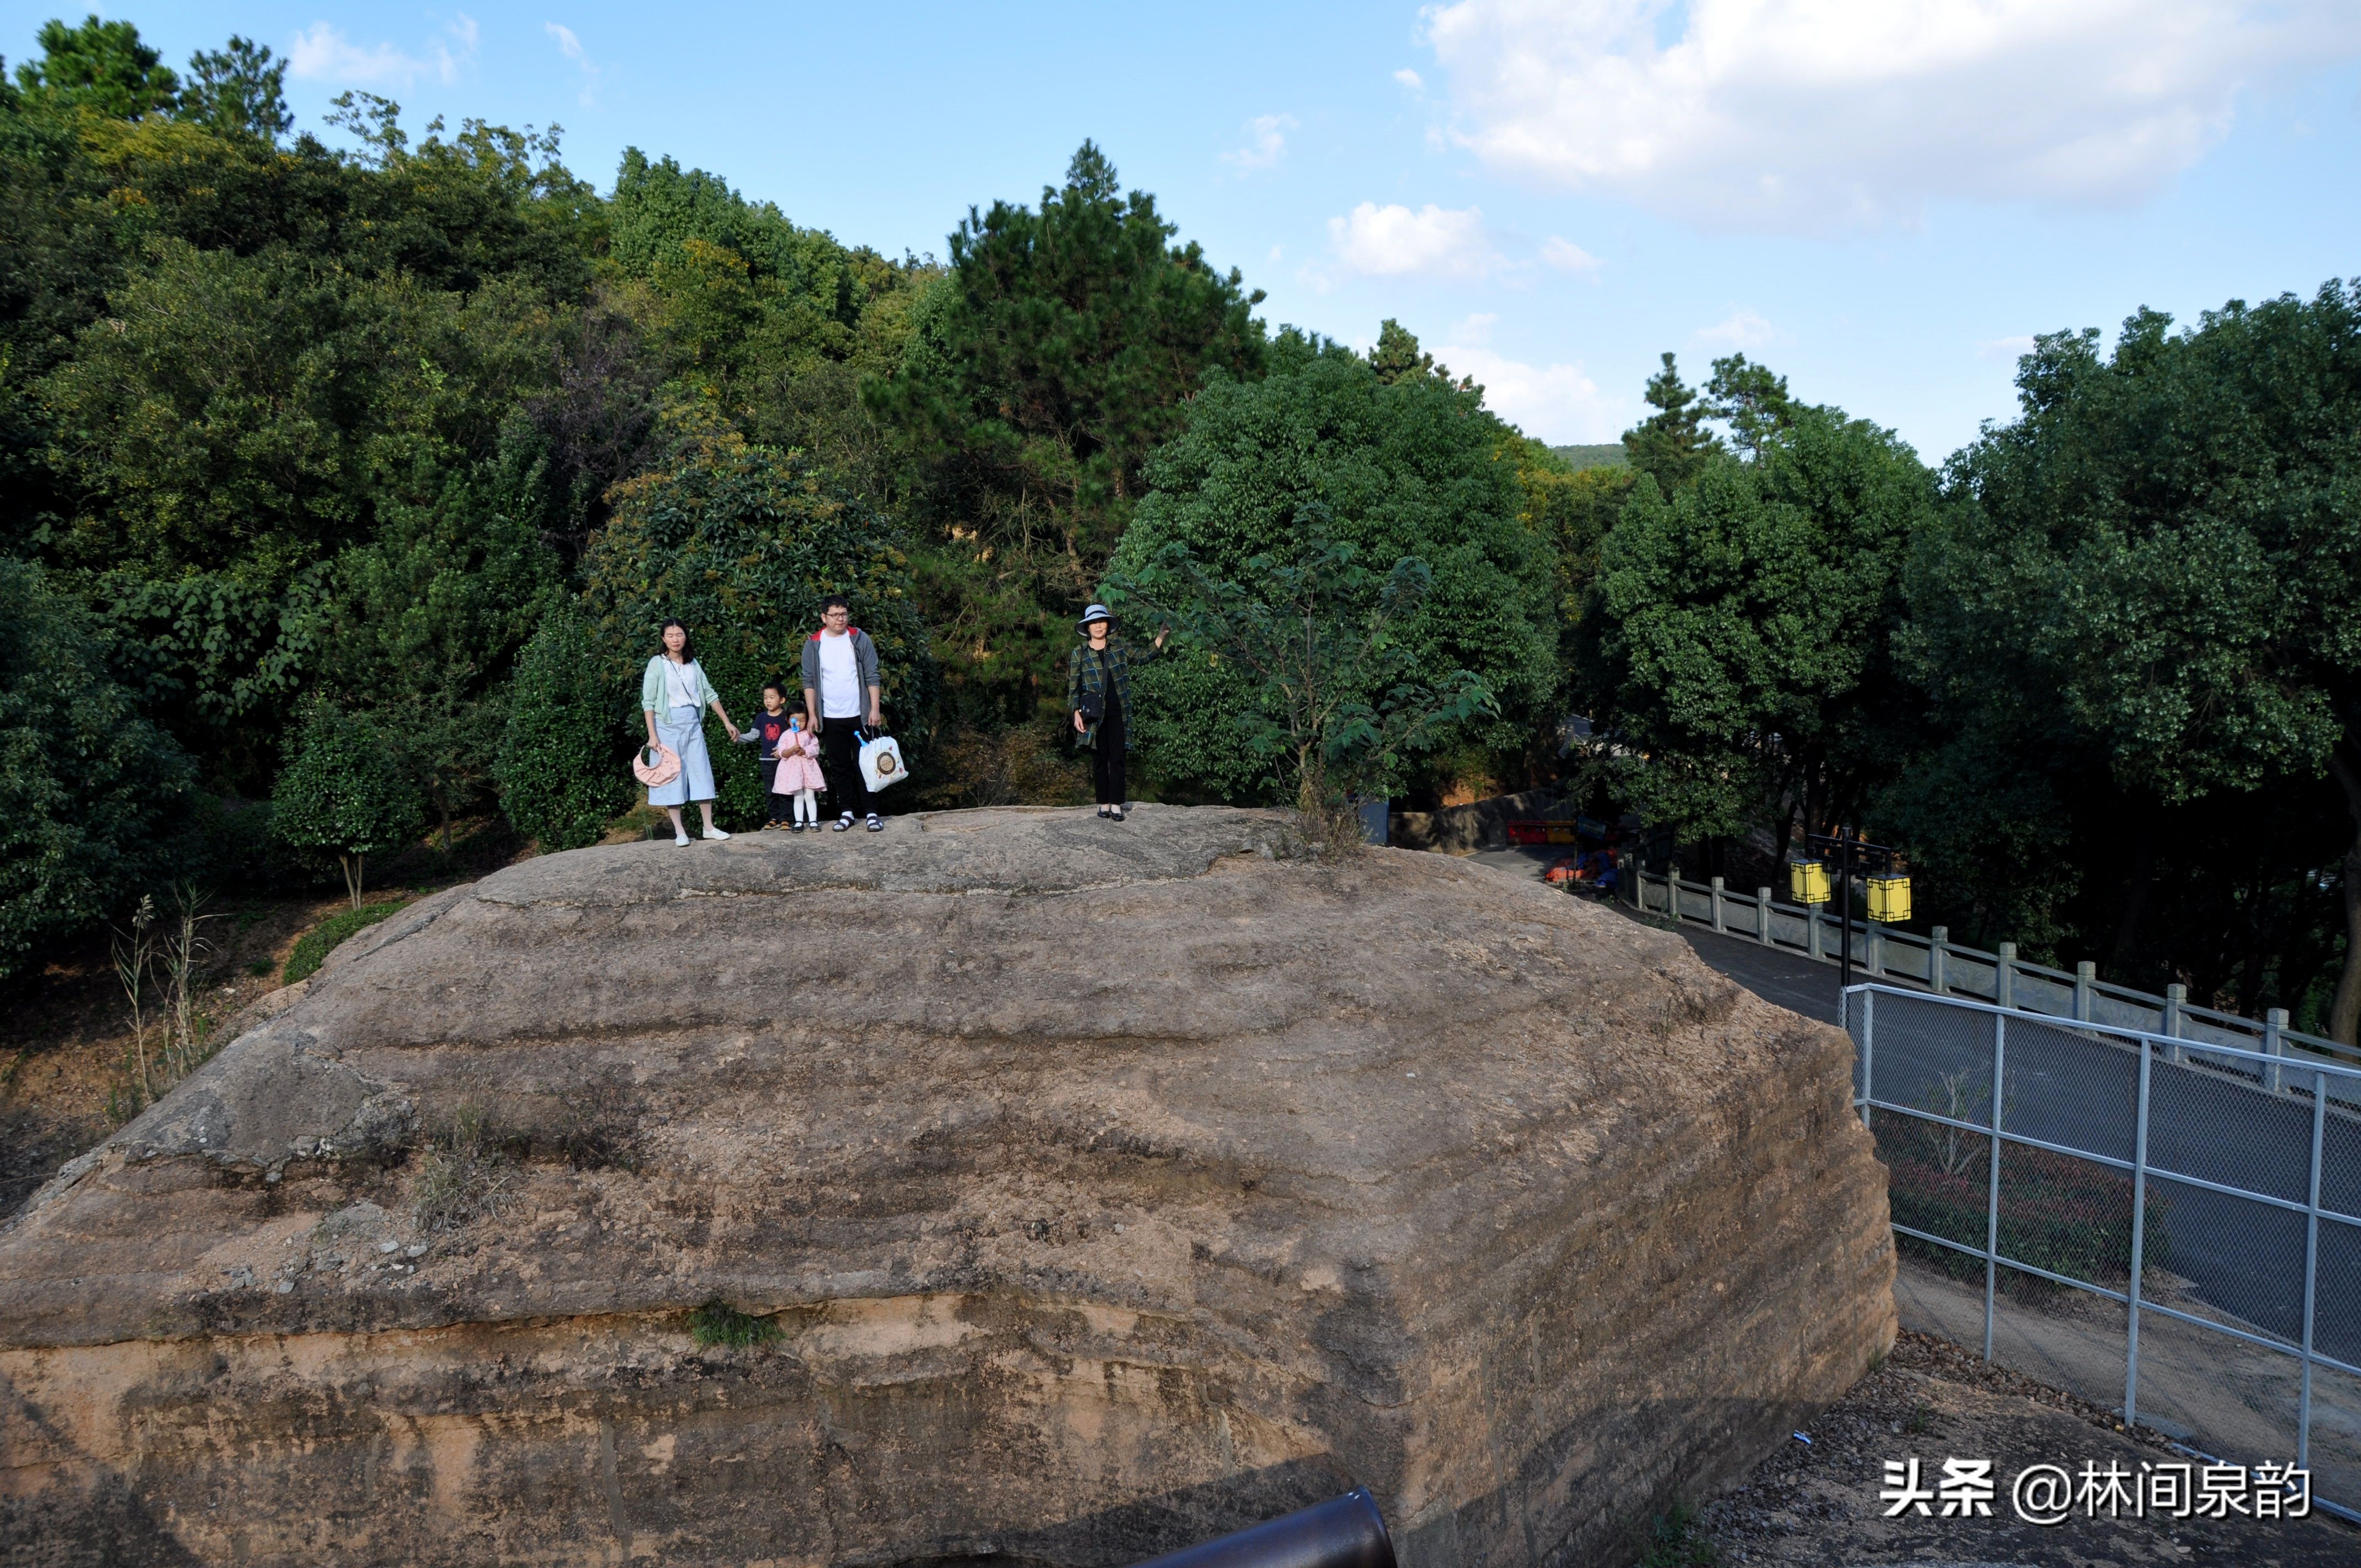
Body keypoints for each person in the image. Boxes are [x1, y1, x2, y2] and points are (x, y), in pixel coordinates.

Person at [640, 619, 739, 846]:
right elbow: (648, 701)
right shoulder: (657, 663)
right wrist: (652, 735)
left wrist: (727, 722)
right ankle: (680, 832)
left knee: (701, 772)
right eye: (670, 635)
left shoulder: (693, 663)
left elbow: (709, 693)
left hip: (693, 724)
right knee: (671, 776)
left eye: (680, 634)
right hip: (666, 725)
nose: (676, 639)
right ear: (664, 638)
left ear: (686, 636)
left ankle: (709, 827)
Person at [1068, 604, 1167, 822]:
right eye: (1093, 622)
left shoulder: (1119, 647)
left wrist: (1161, 636)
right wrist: (1075, 712)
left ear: (1107, 624)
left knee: (1118, 758)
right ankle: (1103, 803)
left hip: (1119, 712)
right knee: (1100, 759)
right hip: (1093, 715)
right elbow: (1074, 686)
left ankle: (1116, 805)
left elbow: (1142, 657)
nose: (1098, 626)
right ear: (1087, 627)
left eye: (1101, 621)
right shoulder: (1080, 653)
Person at [800, 594, 885, 832]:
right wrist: (813, 713)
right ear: (824, 617)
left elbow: (872, 674)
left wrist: (875, 708)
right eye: (835, 615)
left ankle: (871, 813)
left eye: (844, 614)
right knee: (839, 766)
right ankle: (847, 812)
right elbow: (809, 680)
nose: (841, 619)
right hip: (831, 716)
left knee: (866, 765)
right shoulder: (814, 643)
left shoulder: (859, 638)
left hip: (860, 715)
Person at [739, 683, 797, 830]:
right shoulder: (761, 718)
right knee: (770, 791)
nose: (768, 701)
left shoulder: (786, 717)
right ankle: (774, 817)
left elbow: (794, 736)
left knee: (785, 790)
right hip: (766, 762)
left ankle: (786, 819)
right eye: (765, 698)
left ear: (782, 700)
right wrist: (738, 738)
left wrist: (782, 749)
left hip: (784, 761)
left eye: (772, 697)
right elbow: (753, 735)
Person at [771, 712, 826, 831]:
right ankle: (799, 822)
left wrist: (804, 751)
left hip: (808, 769)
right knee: (798, 796)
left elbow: (815, 748)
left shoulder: (809, 734)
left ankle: (813, 821)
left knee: (810, 795)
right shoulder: (785, 735)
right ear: (788, 720)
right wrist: (792, 750)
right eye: (795, 720)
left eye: (803, 720)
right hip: (793, 771)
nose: (799, 723)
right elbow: (782, 753)